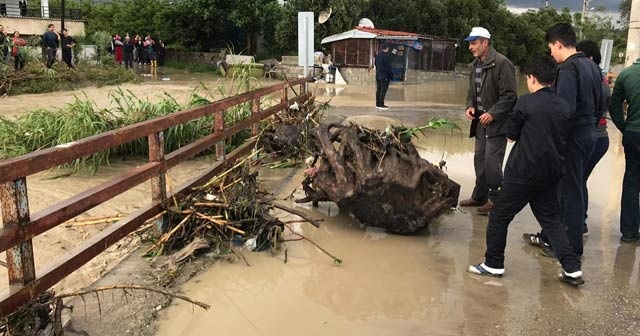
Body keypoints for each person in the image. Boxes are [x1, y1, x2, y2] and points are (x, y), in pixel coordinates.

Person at [468, 56, 584, 286]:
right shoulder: (564, 106)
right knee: (551, 220)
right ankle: (572, 269)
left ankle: (493, 264)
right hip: (552, 172)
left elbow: (511, 135)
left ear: (532, 79)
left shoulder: (526, 102)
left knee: (500, 216)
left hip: (523, 172)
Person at [523, 23, 606, 257]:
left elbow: (563, 110)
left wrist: (553, 139)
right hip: (588, 133)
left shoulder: (568, 69)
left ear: (558, 44)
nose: (551, 53)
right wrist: (587, 126)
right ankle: (550, 237)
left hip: (571, 137)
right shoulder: (591, 67)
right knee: (566, 188)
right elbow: (601, 106)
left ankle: (570, 249)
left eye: (551, 47)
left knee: (569, 192)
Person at [459, 27, 517, 214]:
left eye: (474, 43)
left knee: (492, 163)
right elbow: (471, 92)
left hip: (496, 124)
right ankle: (479, 196)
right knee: (479, 161)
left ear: (485, 42)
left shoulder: (502, 63)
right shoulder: (475, 65)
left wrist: (492, 113)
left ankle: (496, 200)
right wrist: (470, 106)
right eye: (470, 43)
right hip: (479, 124)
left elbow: (509, 96)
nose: (470, 47)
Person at [576, 40, 611, 236]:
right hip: (599, 137)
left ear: (589, 58)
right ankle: (580, 221)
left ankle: (578, 222)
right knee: (580, 179)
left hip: (593, 137)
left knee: (577, 179)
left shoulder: (593, 79)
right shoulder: (601, 77)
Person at [610, 57, 640, 242]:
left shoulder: (626, 75)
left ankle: (629, 232)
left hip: (633, 134)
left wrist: (625, 127)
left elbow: (614, 107)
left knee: (631, 181)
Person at [374, 43, 393, 110]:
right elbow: (388, 67)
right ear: (387, 48)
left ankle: (377, 104)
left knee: (378, 90)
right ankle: (381, 104)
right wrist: (391, 75)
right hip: (385, 76)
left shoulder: (378, 56)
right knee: (383, 90)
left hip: (378, 75)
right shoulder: (386, 56)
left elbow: (376, 64)